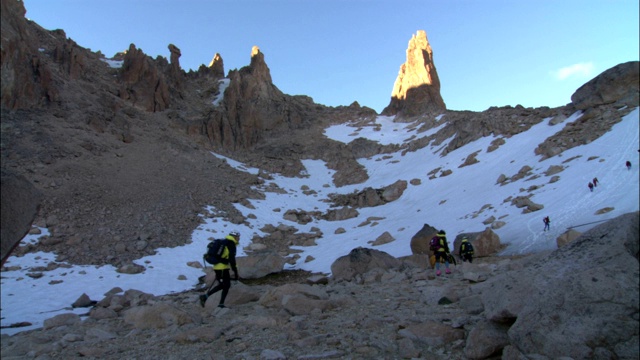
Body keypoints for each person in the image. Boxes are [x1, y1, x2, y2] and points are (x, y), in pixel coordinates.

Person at [200, 231, 240, 308]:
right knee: (225, 285)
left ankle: (215, 301)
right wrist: (235, 271)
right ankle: (211, 300)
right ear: (234, 237)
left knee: (224, 285)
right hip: (222, 268)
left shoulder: (224, 242)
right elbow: (232, 259)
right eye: (238, 237)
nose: (239, 239)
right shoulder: (231, 244)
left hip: (218, 267)